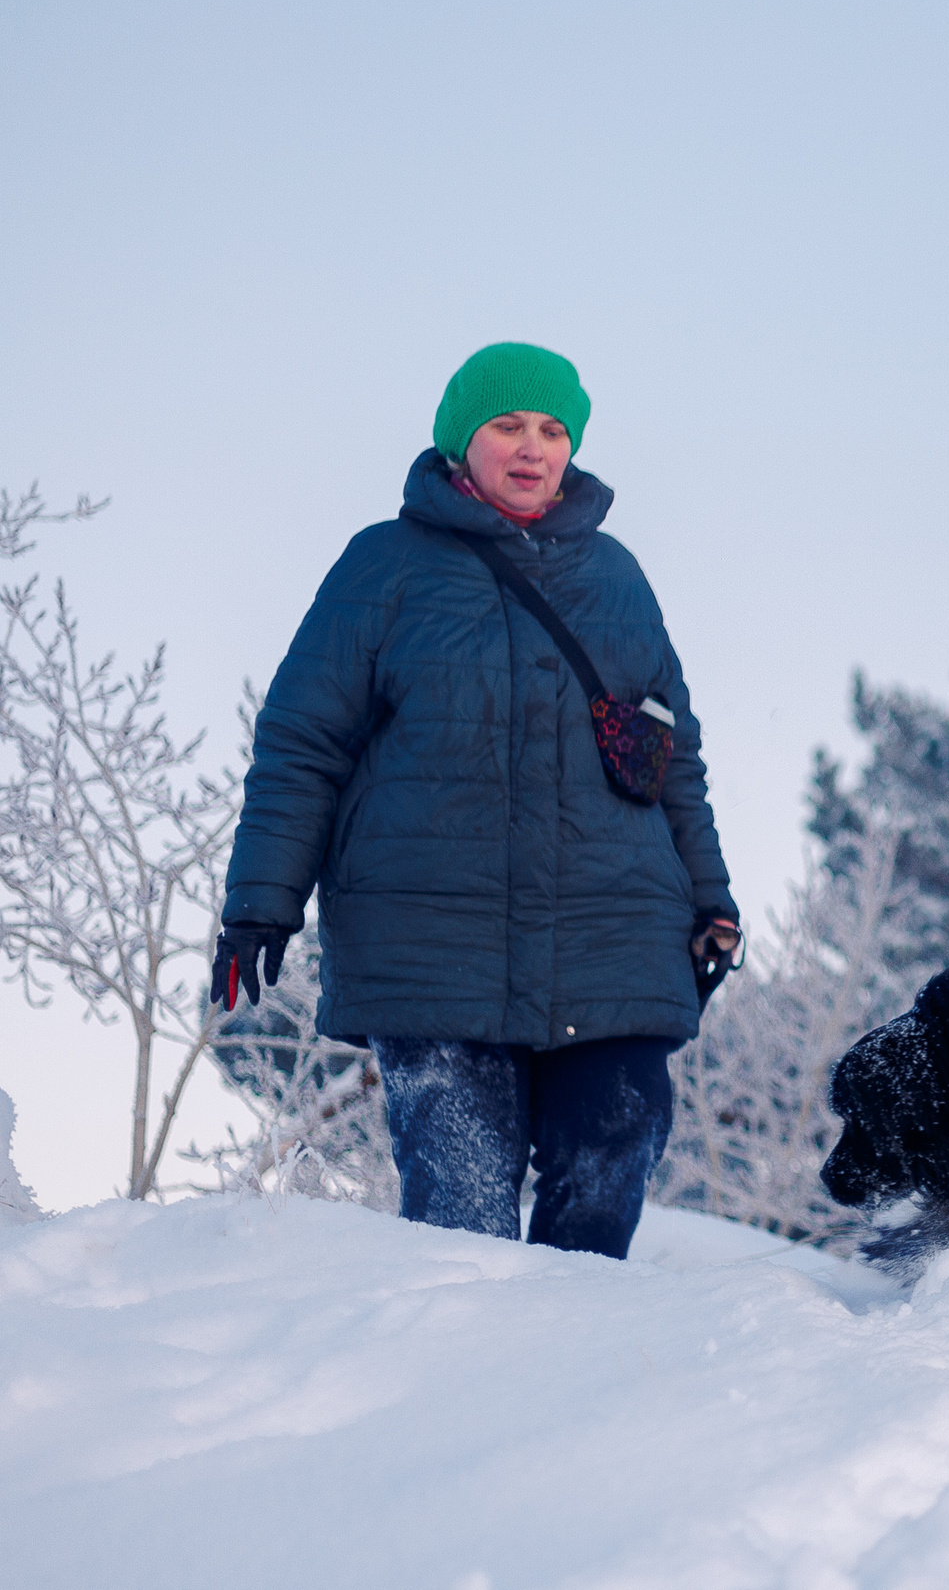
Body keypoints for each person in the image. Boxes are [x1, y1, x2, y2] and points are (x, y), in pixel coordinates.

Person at [214, 342, 739, 1258]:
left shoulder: (616, 578)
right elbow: (303, 742)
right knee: (462, 1215)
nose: (533, 446)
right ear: (462, 439)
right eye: (508, 424)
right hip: (433, 943)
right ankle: (471, 1351)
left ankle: (576, 1345)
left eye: (553, 429)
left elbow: (672, 758)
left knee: (611, 1158)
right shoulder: (385, 566)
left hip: (611, 935)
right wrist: (262, 901)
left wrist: (711, 898)